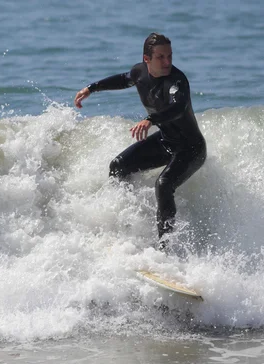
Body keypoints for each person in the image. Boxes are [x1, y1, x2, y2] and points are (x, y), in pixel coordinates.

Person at [74, 33, 206, 249]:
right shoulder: (140, 72)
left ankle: (166, 248)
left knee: (163, 185)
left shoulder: (176, 81)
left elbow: (178, 106)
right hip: (167, 141)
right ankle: (127, 224)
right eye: (161, 57)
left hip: (191, 148)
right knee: (118, 166)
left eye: (170, 56)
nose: (167, 62)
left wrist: (150, 119)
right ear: (147, 59)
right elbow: (124, 78)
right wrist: (91, 88)